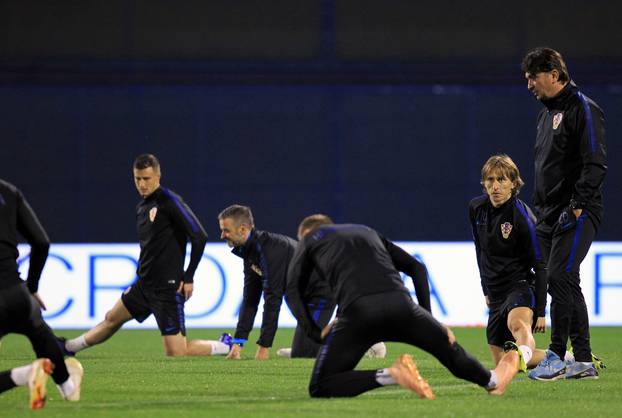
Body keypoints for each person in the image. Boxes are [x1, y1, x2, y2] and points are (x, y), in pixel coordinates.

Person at [286, 214, 519, 398]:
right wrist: (429, 320)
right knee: (449, 351)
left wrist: (315, 333)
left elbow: (293, 290)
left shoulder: (309, 239)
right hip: (403, 307)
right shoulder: (367, 231)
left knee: (321, 385)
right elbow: (417, 268)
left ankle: (391, 375)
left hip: (358, 313)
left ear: (307, 232)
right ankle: (492, 380)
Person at [58, 154, 230, 357]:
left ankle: (224, 346)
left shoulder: (169, 201)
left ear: (158, 176)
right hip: (145, 285)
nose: (141, 184)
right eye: (137, 179)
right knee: (112, 318)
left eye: (146, 179)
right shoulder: (142, 207)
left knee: (177, 352)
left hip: (167, 288)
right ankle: (68, 347)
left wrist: (189, 276)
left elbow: (199, 236)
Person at [522, 48, 607, 380]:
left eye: (533, 77)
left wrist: (576, 206)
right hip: (548, 215)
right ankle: (583, 361)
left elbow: (595, 163)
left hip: (578, 212)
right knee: (565, 281)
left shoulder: (583, 109)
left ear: (554, 75)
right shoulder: (546, 116)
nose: (528, 84)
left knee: (560, 276)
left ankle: (556, 356)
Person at [0, 178, 83, 409]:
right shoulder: (8, 191)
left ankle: (25, 375)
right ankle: (68, 387)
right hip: (17, 293)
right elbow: (41, 242)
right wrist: (32, 287)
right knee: (40, 332)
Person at [469, 155, 547, 371]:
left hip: (519, 285)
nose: (495, 186)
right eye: (490, 180)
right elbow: (480, 250)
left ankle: (524, 353)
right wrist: (485, 288)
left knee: (518, 325)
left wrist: (541, 311)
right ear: (484, 183)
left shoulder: (523, 217)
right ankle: (563, 358)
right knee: (502, 361)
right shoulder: (476, 208)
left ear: (514, 184)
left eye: (502, 180)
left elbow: (540, 265)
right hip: (495, 292)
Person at [218, 204, 295, 360]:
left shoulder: (269, 250)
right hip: (299, 294)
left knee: (309, 351)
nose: (222, 235)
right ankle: (303, 347)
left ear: (243, 229)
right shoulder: (250, 249)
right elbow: (250, 299)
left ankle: (304, 348)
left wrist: (263, 347)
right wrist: (237, 344)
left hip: (319, 292)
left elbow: (272, 299)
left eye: (226, 230)